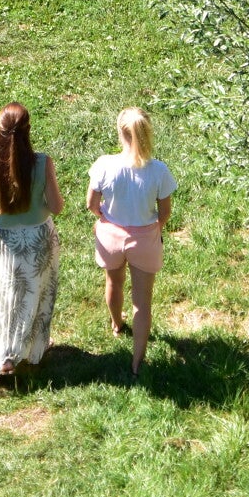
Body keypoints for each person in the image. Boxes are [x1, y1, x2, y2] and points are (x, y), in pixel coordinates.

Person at [0, 102, 64, 380]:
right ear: (28, 131)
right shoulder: (43, 162)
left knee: (4, 296)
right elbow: (57, 207)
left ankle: (4, 357)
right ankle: (33, 348)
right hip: (38, 239)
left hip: (5, 241)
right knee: (36, 293)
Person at [87, 107, 176, 379]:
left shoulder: (104, 164)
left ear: (120, 132)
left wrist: (104, 217)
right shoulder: (158, 171)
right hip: (144, 239)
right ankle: (137, 361)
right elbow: (165, 212)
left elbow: (91, 203)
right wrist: (155, 227)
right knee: (142, 302)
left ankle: (116, 324)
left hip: (111, 235)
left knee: (113, 283)